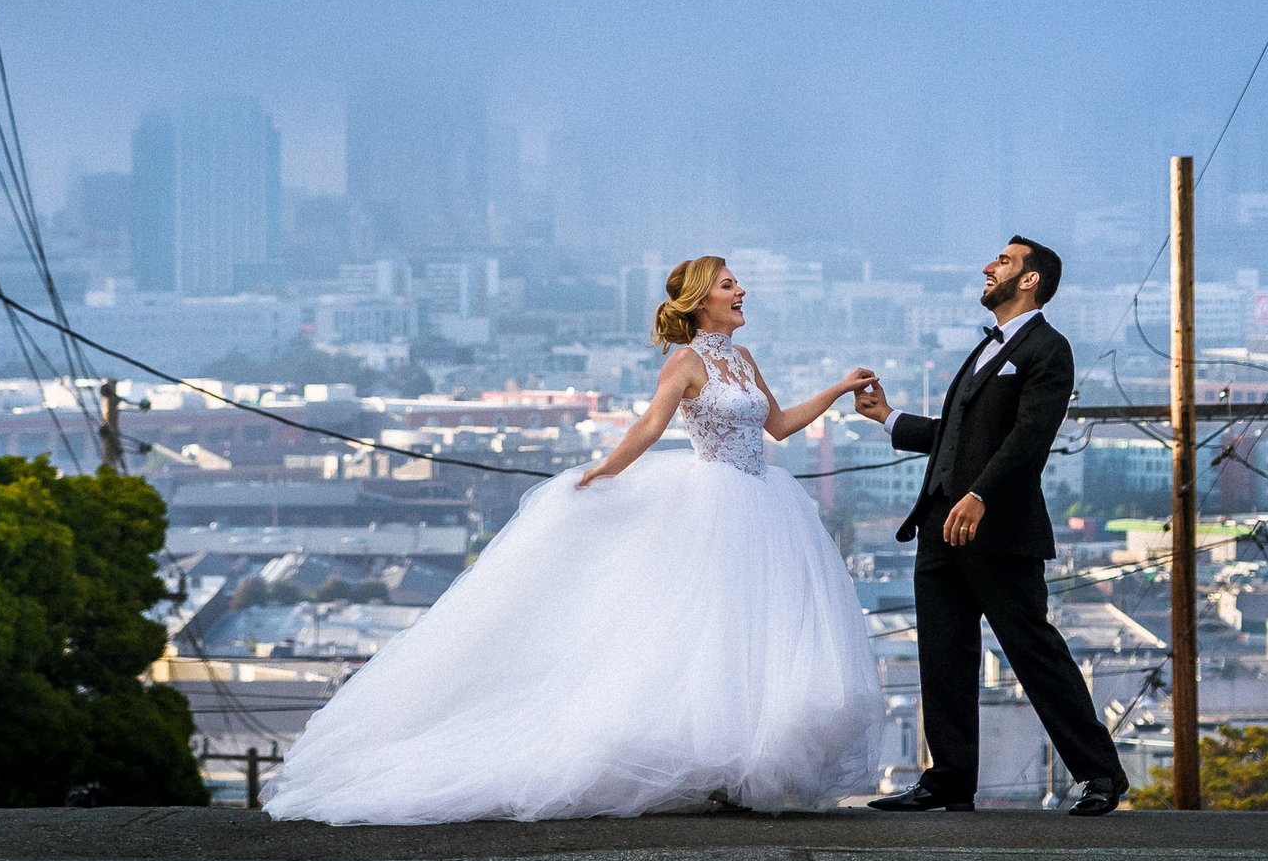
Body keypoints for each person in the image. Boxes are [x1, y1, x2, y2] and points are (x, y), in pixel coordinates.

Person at [264, 255, 883, 823]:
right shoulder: (686, 362)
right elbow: (649, 423)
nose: (741, 289)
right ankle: (715, 766)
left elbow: (776, 426)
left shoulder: (744, 361)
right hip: (715, 501)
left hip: (762, 501)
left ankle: (742, 767)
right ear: (700, 301)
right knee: (709, 634)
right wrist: (603, 472)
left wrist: (836, 390)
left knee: (753, 631)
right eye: (728, 284)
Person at [853, 235, 1128, 815]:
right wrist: (889, 419)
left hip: (999, 532)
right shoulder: (986, 350)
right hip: (939, 529)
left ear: (1029, 279)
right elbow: (957, 436)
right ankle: (949, 780)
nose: (988, 266)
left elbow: (1029, 437)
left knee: (1034, 653)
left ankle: (1101, 776)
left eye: (1002, 261)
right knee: (944, 656)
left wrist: (979, 494)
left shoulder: (1049, 349)